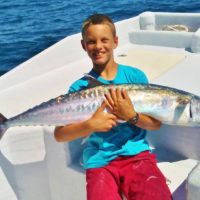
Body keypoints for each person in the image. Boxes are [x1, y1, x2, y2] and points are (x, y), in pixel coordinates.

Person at [54, 13, 172, 200]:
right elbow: (59, 135)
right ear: (83, 45)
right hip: (99, 161)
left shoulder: (135, 77)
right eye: (91, 41)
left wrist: (131, 115)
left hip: (137, 156)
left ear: (115, 42)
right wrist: (91, 125)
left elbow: (155, 124)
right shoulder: (79, 88)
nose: (98, 46)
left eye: (104, 40)